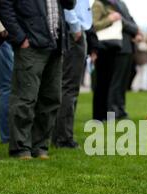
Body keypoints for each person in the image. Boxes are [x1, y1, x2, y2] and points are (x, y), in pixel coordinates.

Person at [0, 0, 76, 160]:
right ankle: (20, 149)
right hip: (31, 45)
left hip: (56, 43)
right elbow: (3, 5)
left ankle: (39, 147)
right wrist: (20, 38)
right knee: (25, 98)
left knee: (51, 99)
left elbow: (70, 4)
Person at [52, 0, 93, 149]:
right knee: (69, 88)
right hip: (73, 31)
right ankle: (63, 138)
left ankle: (58, 135)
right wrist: (75, 26)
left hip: (74, 29)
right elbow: (68, 6)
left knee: (66, 87)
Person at [92, 0, 138, 121]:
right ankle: (112, 112)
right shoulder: (103, 3)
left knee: (122, 83)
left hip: (127, 46)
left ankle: (120, 110)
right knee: (114, 83)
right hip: (116, 48)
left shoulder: (121, 3)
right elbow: (123, 22)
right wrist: (133, 28)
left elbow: (129, 21)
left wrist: (135, 29)